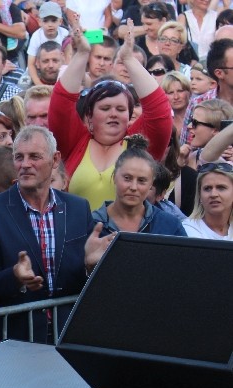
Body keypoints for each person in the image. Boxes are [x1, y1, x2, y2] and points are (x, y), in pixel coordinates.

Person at [0, 126, 113, 342]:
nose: (25, 164)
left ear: (55, 160)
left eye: (34, 156)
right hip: (17, 339)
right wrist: (15, 277)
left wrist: (90, 267)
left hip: (68, 333)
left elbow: (84, 282)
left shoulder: (77, 208)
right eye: (19, 157)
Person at [52, 18, 172, 210]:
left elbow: (159, 110)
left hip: (127, 230)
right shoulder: (75, 142)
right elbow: (61, 103)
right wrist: (82, 54)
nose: (113, 114)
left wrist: (128, 59)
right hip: (78, 230)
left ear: (129, 116)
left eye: (121, 109)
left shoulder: (139, 145)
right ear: (89, 116)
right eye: (105, 108)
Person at [90, 136, 188, 236]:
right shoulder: (90, 223)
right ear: (114, 177)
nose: (133, 187)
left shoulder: (170, 226)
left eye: (141, 181)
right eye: (127, 178)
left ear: (151, 183)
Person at [182, 162, 233, 239]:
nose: (213, 194)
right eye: (207, 188)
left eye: (221, 188)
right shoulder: (187, 229)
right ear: (199, 195)